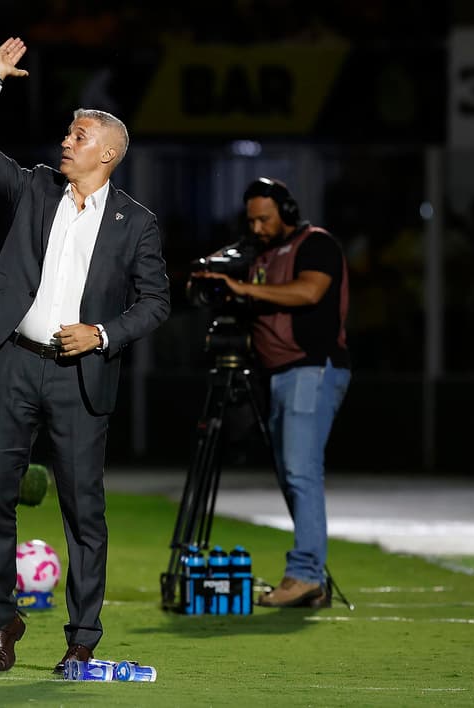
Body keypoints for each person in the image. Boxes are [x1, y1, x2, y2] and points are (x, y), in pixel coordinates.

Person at [0, 37, 171, 672]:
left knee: (83, 512)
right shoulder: (35, 188)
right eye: (68, 133)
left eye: (79, 136)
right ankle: (1, 623)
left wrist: (101, 334)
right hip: (14, 361)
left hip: (80, 376)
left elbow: (156, 303)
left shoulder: (137, 222)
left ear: (108, 154)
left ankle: (82, 637)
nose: (65, 142)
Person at [192, 177, 351, 608]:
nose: (257, 228)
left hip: (311, 367)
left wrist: (242, 288)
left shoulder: (316, 244)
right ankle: (310, 575)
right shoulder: (257, 253)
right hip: (279, 372)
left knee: (300, 472)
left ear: (287, 212)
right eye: (251, 221)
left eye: (265, 219)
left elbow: (310, 291)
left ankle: (305, 574)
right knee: (292, 473)